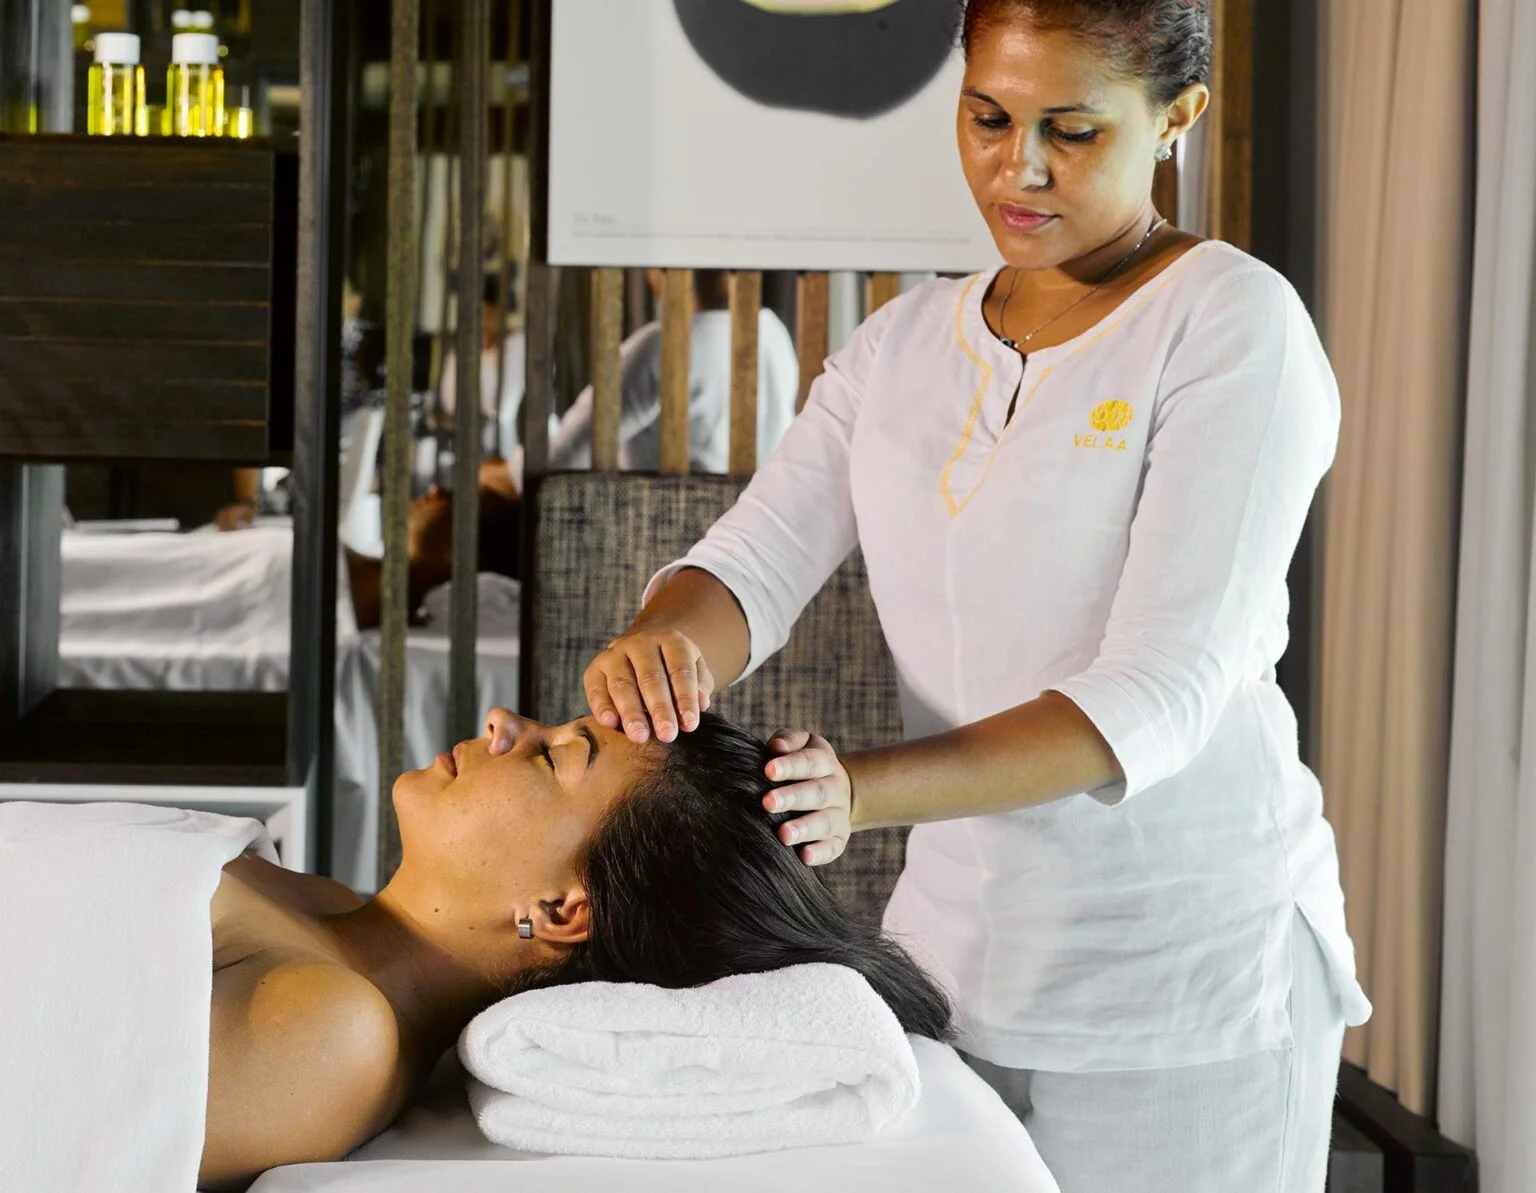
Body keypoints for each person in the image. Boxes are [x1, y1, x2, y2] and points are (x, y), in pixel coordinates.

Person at [582, 2, 1370, 1190]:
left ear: (1177, 119)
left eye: (1074, 130)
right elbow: (751, 559)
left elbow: (1159, 690)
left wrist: (865, 789)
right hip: (954, 961)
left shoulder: (1230, 323)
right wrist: (662, 643)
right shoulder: (903, 343)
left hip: (1183, 975)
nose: (1021, 166)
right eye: (989, 118)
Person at [199, 709, 950, 1190]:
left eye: (553, 756)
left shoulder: (331, 1035)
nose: (502, 724)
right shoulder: (327, 906)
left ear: (559, 912)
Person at [482, 269, 799, 496]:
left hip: (669, 540)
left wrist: (483, 477)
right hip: (751, 540)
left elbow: (555, 462)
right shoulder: (772, 332)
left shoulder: (665, 347)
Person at [440, 273, 529, 458]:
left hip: (509, 447)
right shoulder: (463, 348)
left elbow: (505, 405)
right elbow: (449, 400)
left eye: (488, 314)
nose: (482, 322)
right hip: (468, 447)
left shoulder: (518, 345)